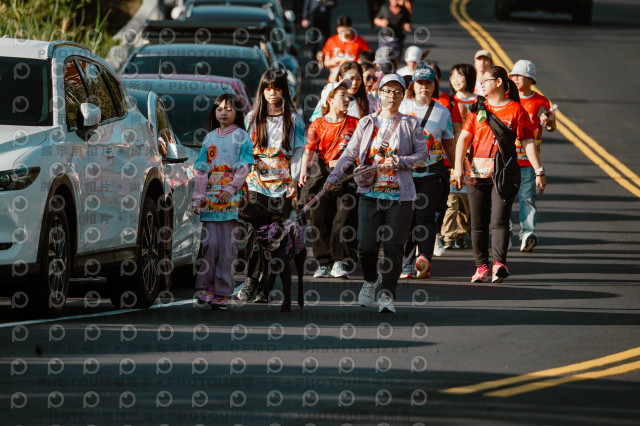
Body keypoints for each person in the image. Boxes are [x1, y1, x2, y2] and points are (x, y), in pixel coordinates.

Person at [324, 73, 428, 313]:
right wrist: (332, 178)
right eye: (387, 91)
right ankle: (371, 280)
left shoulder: (411, 124)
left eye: (397, 92)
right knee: (366, 246)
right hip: (370, 194)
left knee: (393, 247)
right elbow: (350, 154)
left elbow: (423, 155)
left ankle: (387, 295)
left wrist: (400, 161)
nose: (392, 96)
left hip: (400, 198)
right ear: (379, 94)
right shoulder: (366, 122)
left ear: (403, 96)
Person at [453, 66, 546, 284]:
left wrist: (539, 171)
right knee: (477, 223)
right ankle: (481, 267)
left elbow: (528, 141)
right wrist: (458, 167)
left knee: (499, 220)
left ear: (498, 82)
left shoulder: (516, 110)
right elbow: (464, 139)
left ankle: (499, 265)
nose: (482, 84)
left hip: (503, 174)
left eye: (486, 80)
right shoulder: (478, 109)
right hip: (476, 174)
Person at [236, 68, 306, 302]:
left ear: (284, 91)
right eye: (267, 89)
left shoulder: (294, 119)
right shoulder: (252, 118)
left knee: (276, 236)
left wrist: (295, 180)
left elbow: (298, 152)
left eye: (276, 89)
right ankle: (250, 280)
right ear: (262, 91)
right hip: (256, 182)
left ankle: (266, 288)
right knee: (254, 233)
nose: (272, 93)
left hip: (282, 183)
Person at [192, 94, 254, 310]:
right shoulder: (209, 138)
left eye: (229, 109)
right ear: (214, 112)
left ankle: (222, 291)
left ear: (237, 112)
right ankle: (208, 287)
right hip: (210, 200)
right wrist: (198, 196)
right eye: (219, 109)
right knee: (210, 246)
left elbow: (245, 166)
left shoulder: (242, 136)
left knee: (228, 248)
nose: (224, 112)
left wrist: (231, 188)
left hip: (231, 200)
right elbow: (202, 169)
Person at [299, 79, 360, 279]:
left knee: (343, 217)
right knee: (320, 218)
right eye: (342, 95)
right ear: (330, 100)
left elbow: (364, 149)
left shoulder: (356, 123)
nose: (347, 99)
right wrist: (302, 171)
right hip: (322, 174)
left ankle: (340, 260)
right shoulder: (317, 124)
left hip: (347, 175)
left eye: (348, 96)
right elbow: (308, 150)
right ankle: (324, 263)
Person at [398, 65, 455, 279]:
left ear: (434, 86)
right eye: (420, 83)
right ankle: (406, 264)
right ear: (413, 85)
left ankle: (424, 258)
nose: (424, 87)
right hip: (405, 172)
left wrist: (457, 167)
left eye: (428, 83)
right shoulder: (402, 106)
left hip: (432, 172)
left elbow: (448, 143)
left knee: (426, 216)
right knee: (407, 217)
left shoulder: (442, 111)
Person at [509, 59, 555, 252]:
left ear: (530, 79)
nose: (515, 79)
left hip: (528, 161)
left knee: (526, 198)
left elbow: (550, 126)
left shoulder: (540, 101)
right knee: (504, 200)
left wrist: (550, 121)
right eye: (513, 76)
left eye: (520, 76)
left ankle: (527, 234)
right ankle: (505, 233)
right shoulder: (508, 98)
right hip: (507, 160)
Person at [440, 63, 477, 251]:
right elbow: (454, 130)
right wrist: (457, 158)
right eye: (452, 76)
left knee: (467, 199)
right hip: (454, 155)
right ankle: (448, 236)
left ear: (469, 77)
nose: (455, 79)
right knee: (452, 198)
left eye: (459, 75)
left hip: (476, 157)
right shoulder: (450, 100)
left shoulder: (480, 101)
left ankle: (462, 233)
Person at [321, 15, 371, 82]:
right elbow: (326, 63)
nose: (343, 34)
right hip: (335, 78)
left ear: (351, 27)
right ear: (337, 29)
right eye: (341, 31)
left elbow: (368, 59)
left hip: (353, 79)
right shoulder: (331, 41)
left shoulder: (359, 41)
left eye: (346, 30)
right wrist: (332, 62)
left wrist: (357, 63)